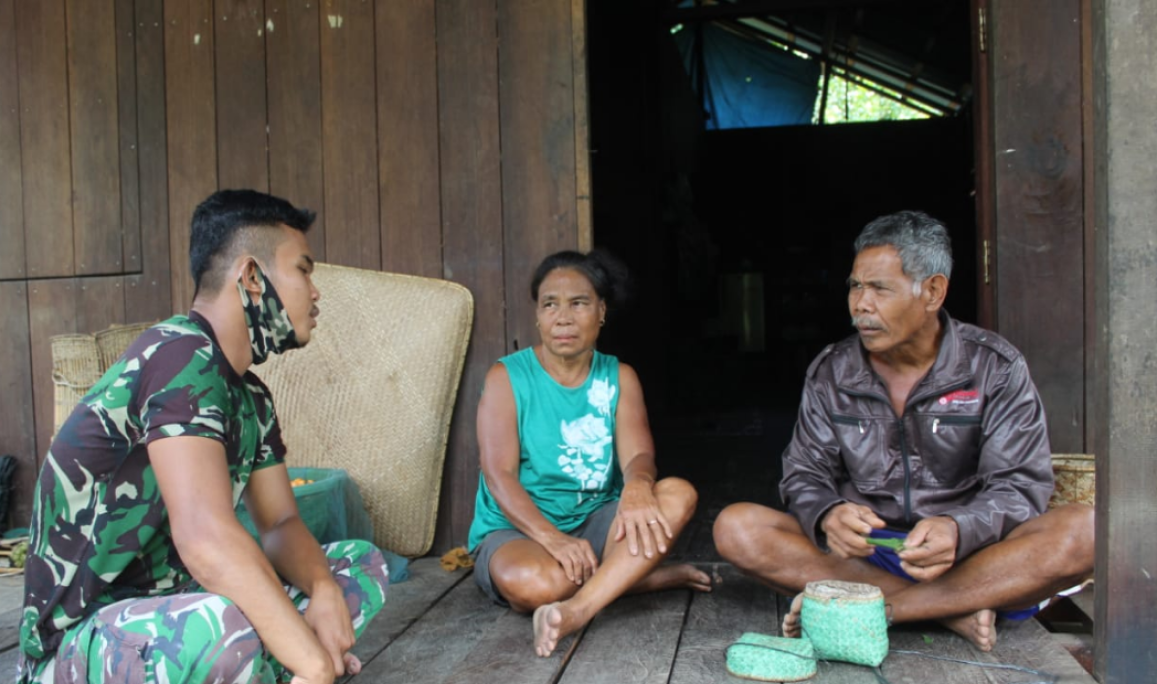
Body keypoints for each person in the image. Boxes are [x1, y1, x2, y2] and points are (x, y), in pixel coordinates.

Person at [17, 190, 388, 684]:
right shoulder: (179, 355)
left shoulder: (251, 396)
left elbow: (282, 523)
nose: (315, 293)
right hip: (81, 638)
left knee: (356, 567)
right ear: (252, 277)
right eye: (302, 271)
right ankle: (257, 683)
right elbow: (205, 536)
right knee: (229, 627)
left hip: (181, 602)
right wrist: (313, 663)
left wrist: (317, 592)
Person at [713, 211, 1094, 653]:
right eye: (855, 286)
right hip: (865, 554)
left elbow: (1020, 487)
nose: (861, 305)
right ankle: (953, 609)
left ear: (932, 291)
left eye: (879, 289)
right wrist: (827, 513)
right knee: (736, 528)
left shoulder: (994, 368)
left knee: (1085, 530)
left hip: (970, 555)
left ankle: (889, 610)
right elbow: (803, 472)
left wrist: (959, 527)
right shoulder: (833, 370)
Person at [469, 250, 711, 657]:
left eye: (578, 303)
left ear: (601, 311)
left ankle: (579, 609)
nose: (562, 317)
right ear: (538, 315)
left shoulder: (619, 376)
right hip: (519, 528)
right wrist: (554, 540)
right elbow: (499, 476)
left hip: (597, 520)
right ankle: (640, 578)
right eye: (550, 304)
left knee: (678, 494)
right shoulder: (506, 377)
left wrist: (637, 485)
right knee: (536, 586)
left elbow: (639, 455)